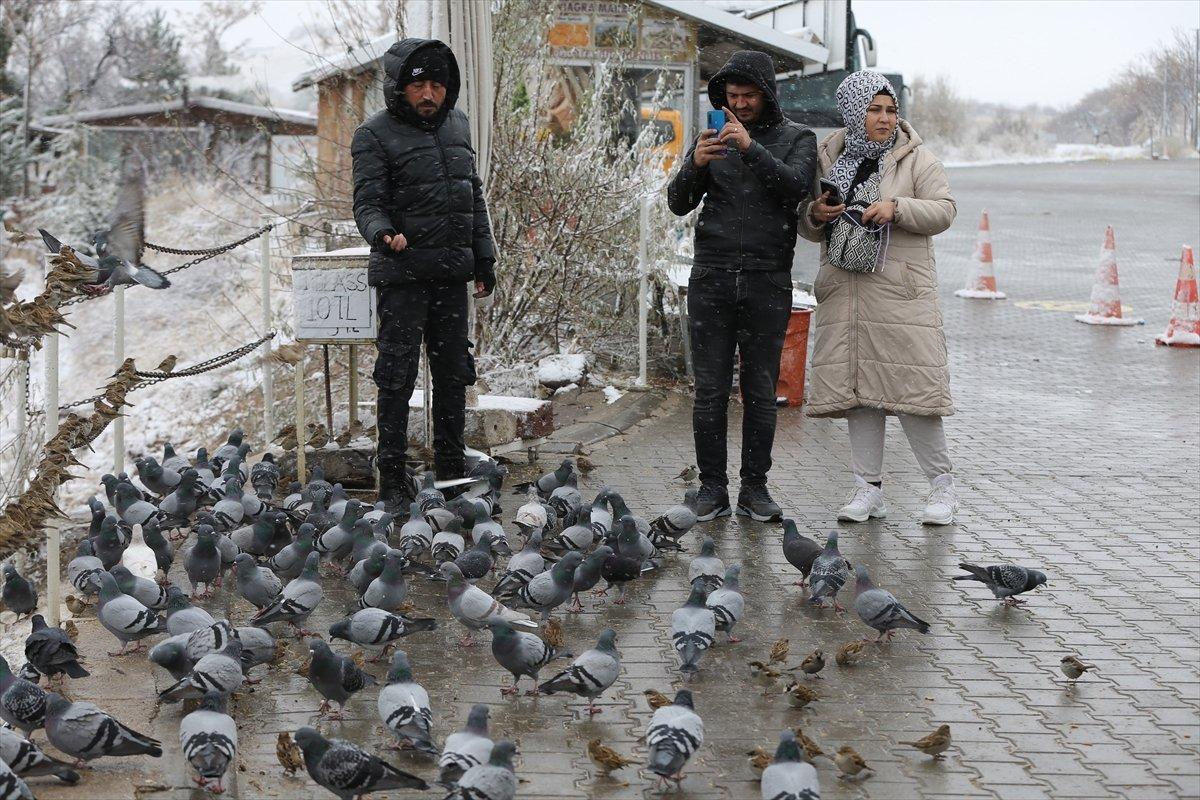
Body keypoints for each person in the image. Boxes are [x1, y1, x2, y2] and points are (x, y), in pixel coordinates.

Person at [796, 70, 959, 525]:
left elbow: (945, 210)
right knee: (859, 392)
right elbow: (808, 225)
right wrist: (815, 214)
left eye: (890, 110)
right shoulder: (828, 157)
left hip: (899, 294)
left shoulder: (916, 158)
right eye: (874, 109)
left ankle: (942, 487)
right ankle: (868, 489)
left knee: (915, 392)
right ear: (852, 112)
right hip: (845, 292)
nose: (885, 118)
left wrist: (898, 208)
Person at [667, 50, 817, 523]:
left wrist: (751, 148)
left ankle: (755, 489)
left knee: (759, 390)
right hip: (711, 277)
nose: (740, 104)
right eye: (732, 96)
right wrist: (694, 164)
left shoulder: (798, 137)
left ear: (767, 95)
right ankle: (712, 489)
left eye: (749, 95)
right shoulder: (710, 138)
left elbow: (795, 188)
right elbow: (677, 203)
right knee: (709, 391)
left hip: (766, 279)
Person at [352, 38, 496, 510]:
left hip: (452, 275)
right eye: (420, 85)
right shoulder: (373, 135)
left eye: (437, 84)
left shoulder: (457, 124)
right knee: (396, 376)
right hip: (403, 275)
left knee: (454, 374)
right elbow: (367, 203)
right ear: (399, 87)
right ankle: (392, 474)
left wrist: (484, 256)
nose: (429, 94)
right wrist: (382, 233)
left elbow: (470, 193)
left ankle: (451, 468)